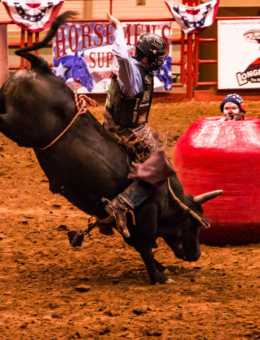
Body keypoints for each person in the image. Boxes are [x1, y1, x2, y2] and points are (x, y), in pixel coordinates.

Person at [102, 13, 174, 237]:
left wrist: (120, 28)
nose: (161, 61)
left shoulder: (135, 69)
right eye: (158, 57)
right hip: (127, 130)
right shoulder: (132, 74)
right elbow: (122, 56)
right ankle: (122, 203)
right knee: (160, 168)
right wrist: (119, 28)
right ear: (148, 57)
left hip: (115, 121)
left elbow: (123, 57)